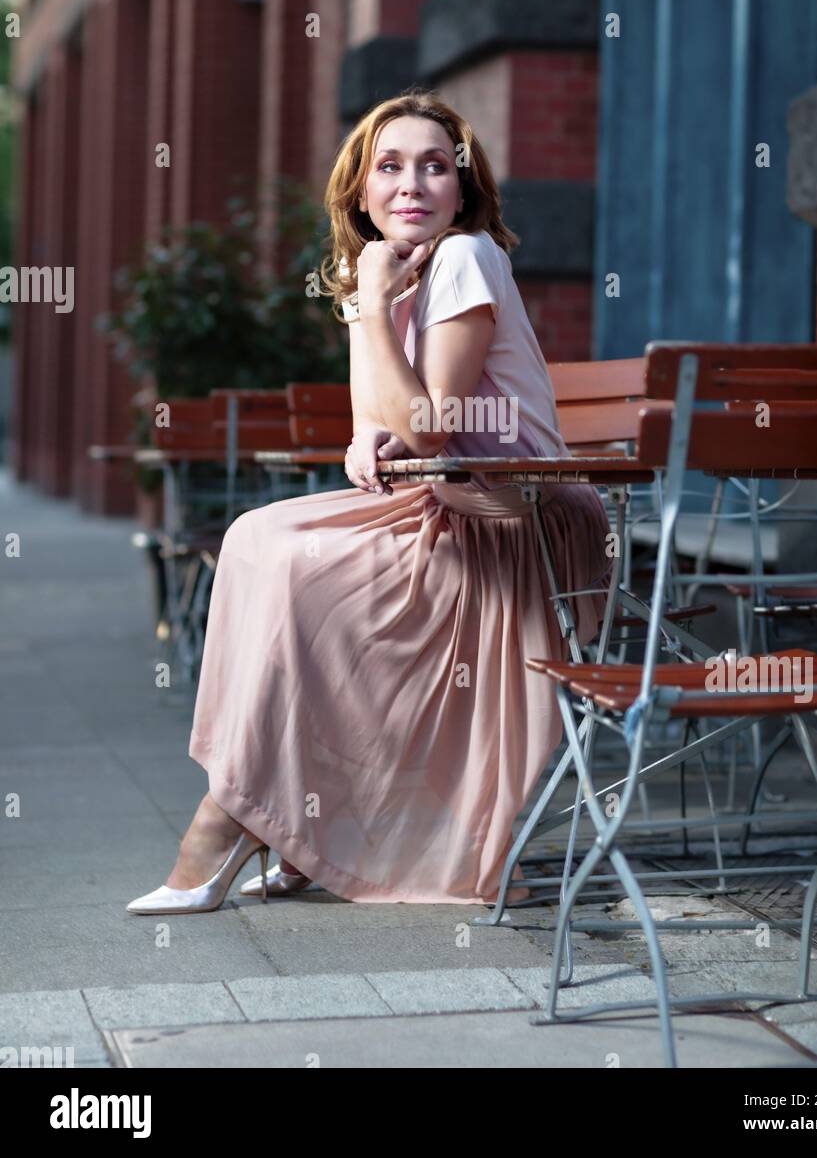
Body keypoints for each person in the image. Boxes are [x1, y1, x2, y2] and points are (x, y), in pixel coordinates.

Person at [126, 90, 611, 914]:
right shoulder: (391, 273)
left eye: (435, 166)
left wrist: (368, 314)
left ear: (463, 188)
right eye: (390, 167)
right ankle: (290, 820)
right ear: (360, 191)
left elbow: (425, 432)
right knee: (256, 538)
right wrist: (368, 323)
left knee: (297, 566)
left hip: (518, 524)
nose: (413, 184)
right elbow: (380, 436)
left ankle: (232, 817)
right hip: (449, 509)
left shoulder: (467, 258)